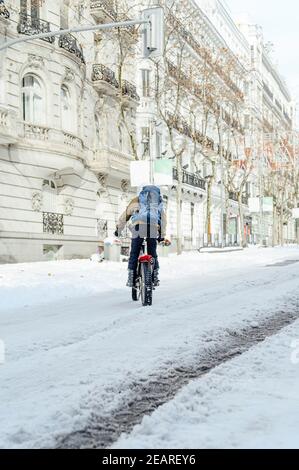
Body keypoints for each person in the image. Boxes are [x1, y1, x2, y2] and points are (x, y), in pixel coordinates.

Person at [115, 185, 167, 287]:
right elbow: (163, 220)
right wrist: (162, 235)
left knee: (134, 252)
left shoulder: (137, 199)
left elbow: (125, 215)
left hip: (138, 227)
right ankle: (155, 276)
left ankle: (131, 277)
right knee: (152, 252)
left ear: (143, 192)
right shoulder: (157, 201)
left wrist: (119, 229)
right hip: (152, 227)